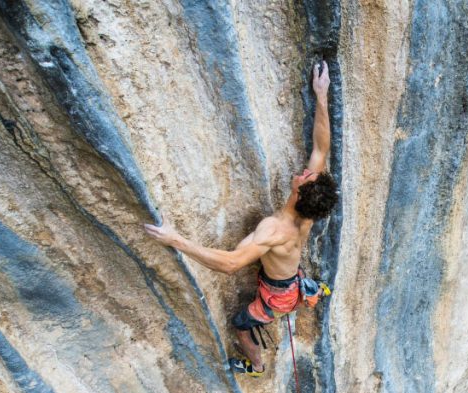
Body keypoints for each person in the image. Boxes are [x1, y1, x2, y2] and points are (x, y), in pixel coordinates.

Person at [144, 61, 338, 376]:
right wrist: (321, 95)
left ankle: (256, 365)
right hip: (290, 275)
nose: (304, 173)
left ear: (300, 194)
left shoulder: (275, 229)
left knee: (241, 324)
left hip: (279, 295)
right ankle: (314, 289)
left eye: (304, 177)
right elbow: (321, 146)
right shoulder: (308, 207)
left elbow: (231, 264)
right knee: (295, 281)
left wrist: (175, 239)